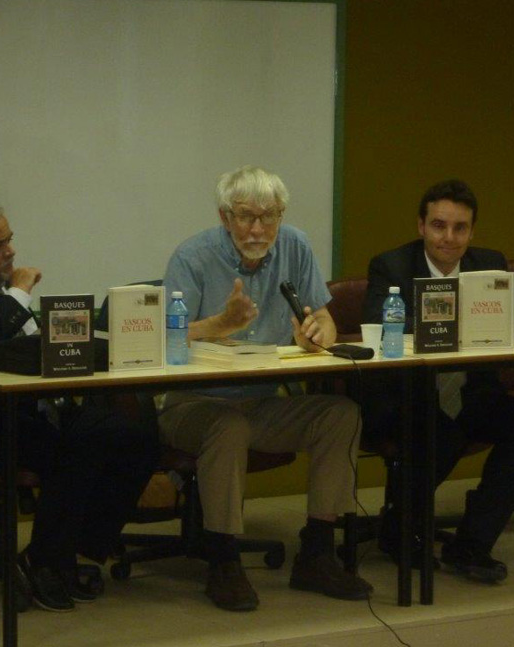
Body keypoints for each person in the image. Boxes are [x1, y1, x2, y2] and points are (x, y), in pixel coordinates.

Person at [0, 202, 159, 612]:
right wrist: (20, 294)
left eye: (10, 239)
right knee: (76, 449)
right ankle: (48, 561)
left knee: (135, 438)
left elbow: (28, 346)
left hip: (26, 411)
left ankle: (71, 551)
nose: (10, 251)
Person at [159, 166, 372, 611]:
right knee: (228, 426)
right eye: (245, 217)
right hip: (192, 407)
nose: (258, 229)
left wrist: (319, 334)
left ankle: (317, 550)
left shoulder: (295, 245)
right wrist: (222, 324)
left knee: (340, 414)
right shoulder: (192, 257)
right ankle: (223, 559)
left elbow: (327, 319)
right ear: (224, 217)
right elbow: (161, 341)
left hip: (263, 401)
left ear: (281, 215)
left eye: (269, 216)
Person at [362, 179, 514, 582]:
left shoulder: (490, 264)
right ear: (421, 226)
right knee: (442, 432)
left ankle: (472, 544)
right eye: (439, 226)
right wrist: (458, 324)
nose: (449, 238)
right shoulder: (391, 265)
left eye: (460, 228)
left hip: (469, 391)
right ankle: (398, 529)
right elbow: (379, 321)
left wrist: (508, 325)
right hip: (406, 396)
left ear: (472, 231)